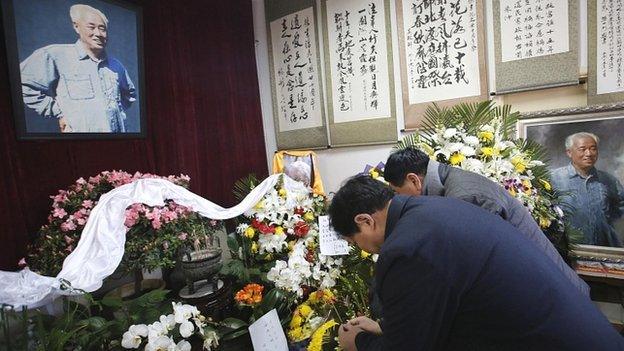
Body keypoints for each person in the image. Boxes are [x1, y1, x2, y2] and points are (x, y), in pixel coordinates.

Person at [329, 175, 624, 351]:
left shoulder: (405, 248)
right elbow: (440, 308)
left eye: (354, 241)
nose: (363, 250)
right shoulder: (434, 211)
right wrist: (385, 327)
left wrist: (360, 343)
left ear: (365, 221)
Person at [384, 147, 588, 295]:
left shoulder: (463, 197)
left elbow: (479, 265)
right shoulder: (453, 182)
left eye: (397, 192)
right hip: (546, 286)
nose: (400, 199)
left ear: (414, 180)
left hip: (554, 292)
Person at [20, 4, 136, 133]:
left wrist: (113, 112)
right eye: (91, 27)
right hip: (78, 144)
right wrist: (59, 112)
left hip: (116, 141)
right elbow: (23, 85)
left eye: (102, 29)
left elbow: (129, 95)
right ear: (76, 27)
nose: (98, 33)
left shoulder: (116, 66)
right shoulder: (55, 55)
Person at [551, 132, 624, 247]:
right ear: (569, 152)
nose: (588, 153)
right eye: (582, 149)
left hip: (604, 252)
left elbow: (620, 209)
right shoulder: (553, 178)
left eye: (593, 149)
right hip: (566, 252)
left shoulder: (609, 180)